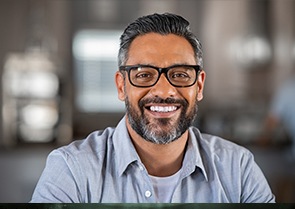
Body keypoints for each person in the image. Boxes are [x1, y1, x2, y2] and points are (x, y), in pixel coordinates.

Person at [30, 13, 275, 203]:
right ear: (121, 86)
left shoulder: (239, 169)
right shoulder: (71, 169)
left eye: (179, 74)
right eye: (145, 75)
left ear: (199, 86)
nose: (163, 91)